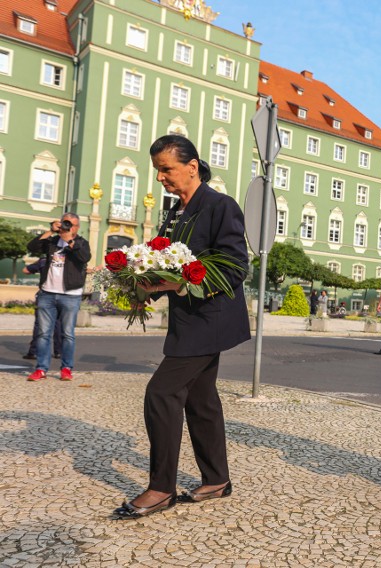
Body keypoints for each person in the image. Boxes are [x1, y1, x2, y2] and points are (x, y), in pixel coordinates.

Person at [113, 135, 250, 519]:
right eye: (157, 170)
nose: (161, 177)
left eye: (166, 169)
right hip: (188, 318)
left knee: (162, 392)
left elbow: (237, 265)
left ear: (192, 166)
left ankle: (160, 488)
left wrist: (184, 282)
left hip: (213, 318)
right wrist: (145, 286)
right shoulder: (174, 213)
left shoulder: (221, 206)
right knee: (200, 399)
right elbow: (168, 265)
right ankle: (217, 479)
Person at [26, 213, 91, 382]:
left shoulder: (82, 243)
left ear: (77, 227)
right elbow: (32, 247)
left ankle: (66, 368)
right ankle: (41, 369)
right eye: (65, 223)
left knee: (68, 334)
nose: (68, 226)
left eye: (72, 224)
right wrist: (49, 231)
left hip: (71, 295)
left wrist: (69, 240)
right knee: (43, 334)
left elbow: (84, 258)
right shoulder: (52, 242)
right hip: (47, 293)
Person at [22, 259, 62, 361]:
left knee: (40, 324)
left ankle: (34, 352)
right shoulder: (67, 260)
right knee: (58, 324)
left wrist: (37, 265)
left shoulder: (44, 261)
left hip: (45, 295)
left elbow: (25, 270)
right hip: (61, 296)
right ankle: (58, 351)